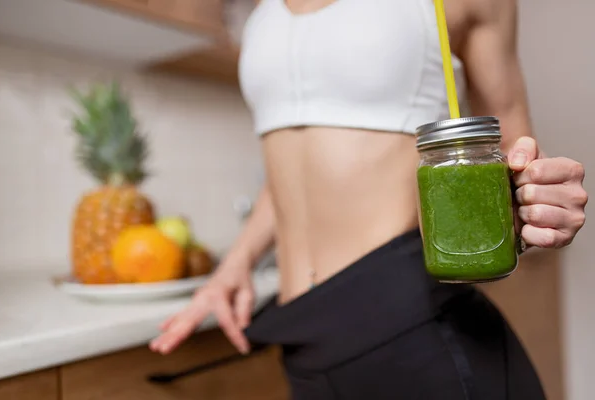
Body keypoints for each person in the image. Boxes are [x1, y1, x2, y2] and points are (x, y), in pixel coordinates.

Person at [151, 0, 588, 398]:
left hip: (414, 332)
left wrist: (540, 199)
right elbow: (296, 166)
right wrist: (237, 262)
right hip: (304, 338)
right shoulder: (262, 11)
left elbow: (512, 144)